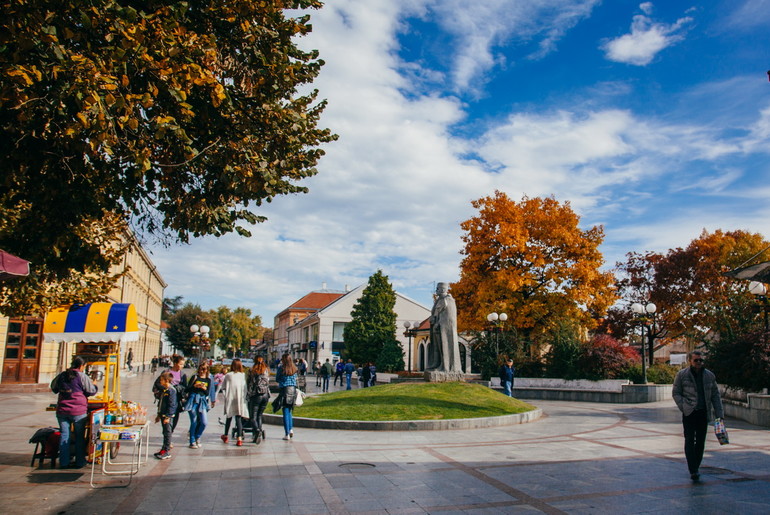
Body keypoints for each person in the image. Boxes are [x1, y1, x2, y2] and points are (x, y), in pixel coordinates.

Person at [672, 350, 725, 481]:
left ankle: (696, 465)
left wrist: (719, 414)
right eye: (696, 360)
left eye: (701, 360)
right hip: (689, 413)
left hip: (703, 413)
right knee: (689, 440)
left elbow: (715, 395)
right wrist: (684, 406)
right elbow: (676, 392)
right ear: (690, 361)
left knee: (701, 441)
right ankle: (693, 469)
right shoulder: (682, 375)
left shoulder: (709, 376)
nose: (699, 363)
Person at [50, 356, 98, 469]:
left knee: (64, 435)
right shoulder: (82, 376)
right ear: (81, 366)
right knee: (79, 437)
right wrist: (95, 384)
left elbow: (53, 388)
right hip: (78, 412)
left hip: (62, 411)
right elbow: (91, 391)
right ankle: (80, 461)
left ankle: (64, 462)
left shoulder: (62, 375)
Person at [427, 282, 461, 372]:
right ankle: (437, 363)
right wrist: (433, 318)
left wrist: (439, 323)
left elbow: (450, 317)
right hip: (437, 328)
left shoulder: (449, 300)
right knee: (437, 347)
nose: (436, 290)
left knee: (444, 347)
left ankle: (445, 366)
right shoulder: (438, 300)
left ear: (442, 289)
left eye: (437, 289)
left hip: (443, 329)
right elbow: (436, 312)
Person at [219, 358, 248, 446]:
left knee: (229, 417)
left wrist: (226, 395)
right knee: (238, 418)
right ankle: (239, 438)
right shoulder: (243, 375)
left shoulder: (228, 375)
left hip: (230, 398)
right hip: (239, 399)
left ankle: (226, 435)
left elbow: (223, 387)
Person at [185, 362, 214, 449]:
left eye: (204, 369)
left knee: (204, 422)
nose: (202, 371)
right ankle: (192, 441)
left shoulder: (208, 380)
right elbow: (187, 389)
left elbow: (207, 392)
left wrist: (204, 388)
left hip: (202, 400)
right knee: (194, 421)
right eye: (200, 369)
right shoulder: (195, 377)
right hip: (193, 399)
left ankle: (198, 436)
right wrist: (195, 386)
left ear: (207, 370)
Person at [247, 356, 270, 444]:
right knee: (259, 415)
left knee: (253, 417)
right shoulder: (266, 370)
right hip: (266, 395)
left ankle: (256, 431)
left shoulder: (252, 370)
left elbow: (249, 383)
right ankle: (259, 431)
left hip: (256, 395)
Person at [275, 354, 299, 440]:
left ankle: (287, 433)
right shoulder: (294, 368)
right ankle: (291, 429)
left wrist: (282, 380)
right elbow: (295, 379)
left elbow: (277, 379)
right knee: (290, 410)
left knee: (285, 411)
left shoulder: (281, 368)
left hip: (285, 390)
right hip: (293, 390)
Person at [154, 372, 177, 460]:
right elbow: (161, 403)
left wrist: (168, 416)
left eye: (161, 380)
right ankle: (163, 449)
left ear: (166, 380)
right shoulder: (165, 390)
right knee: (165, 432)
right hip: (163, 414)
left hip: (168, 416)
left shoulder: (171, 390)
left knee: (167, 432)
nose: (160, 382)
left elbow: (172, 404)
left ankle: (166, 451)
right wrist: (159, 415)